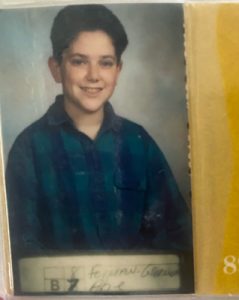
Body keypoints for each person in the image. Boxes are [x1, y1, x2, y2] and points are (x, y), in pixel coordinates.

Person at [6, 5, 192, 261]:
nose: (93, 76)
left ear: (118, 70)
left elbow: (177, 234)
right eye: (79, 61)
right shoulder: (28, 148)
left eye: (105, 63)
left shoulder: (139, 142)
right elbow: (20, 249)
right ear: (56, 68)